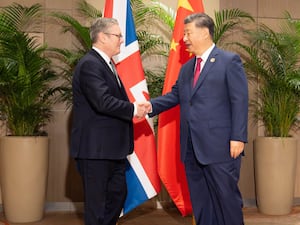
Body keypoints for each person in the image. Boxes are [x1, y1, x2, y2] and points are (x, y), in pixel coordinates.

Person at [143, 13, 248, 225]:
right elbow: (175, 96)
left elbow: (240, 101)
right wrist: (150, 106)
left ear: (205, 32)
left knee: (226, 201)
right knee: (202, 203)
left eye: (188, 33)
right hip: (191, 147)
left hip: (221, 147)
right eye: (184, 33)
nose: (184, 38)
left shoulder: (229, 61)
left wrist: (238, 136)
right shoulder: (187, 68)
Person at [70, 17, 147, 225]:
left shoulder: (106, 64)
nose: (122, 40)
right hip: (96, 151)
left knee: (117, 197)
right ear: (102, 37)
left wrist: (136, 107)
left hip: (112, 150)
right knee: (97, 207)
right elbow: (102, 102)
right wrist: (133, 109)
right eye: (118, 35)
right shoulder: (90, 64)